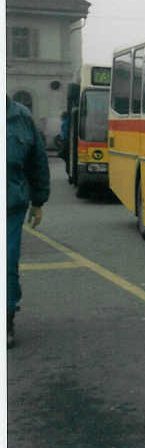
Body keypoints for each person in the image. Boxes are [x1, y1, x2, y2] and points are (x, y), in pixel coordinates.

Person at [7, 96, 50, 348]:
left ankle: (6, 319)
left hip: (11, 204)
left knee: (7, 262)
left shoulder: (21, 117)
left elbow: (38, 162)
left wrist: (38, 202)